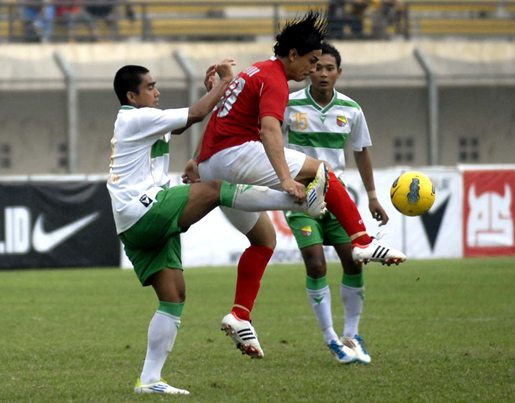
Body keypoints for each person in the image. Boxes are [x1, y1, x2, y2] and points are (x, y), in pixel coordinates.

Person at [182, 10, 406, 361]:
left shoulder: (252, 71)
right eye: (311, 61)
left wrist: (197, 160)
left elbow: (221, 117)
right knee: (322, 172)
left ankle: (239, 313)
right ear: (292, 55)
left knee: (264, 239)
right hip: (235, 156)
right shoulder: (273, 77)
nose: (312, 69)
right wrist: (287, 177)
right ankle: (362, 241)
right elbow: (270, 129)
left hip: (214, 164)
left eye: (321, 63)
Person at [108, 62, 326, 395]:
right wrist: (225, 82)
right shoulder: (136, 118)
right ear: (131, 96)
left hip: (132, 221)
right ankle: (298, 202)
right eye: (151, 87)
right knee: (214, 189)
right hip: (144, 207)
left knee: (173, 296)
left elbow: (187, 122)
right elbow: (196, 114)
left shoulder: (144, 119)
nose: (157, 91)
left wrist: (215, 90)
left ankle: (150, 380)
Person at [281, 42, 387, 364]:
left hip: (336, 197)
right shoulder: (288, 104)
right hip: (299, 197)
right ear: (309, 70)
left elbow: (361, 150)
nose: (323, 74)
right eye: (318, 67)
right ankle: (330, 338)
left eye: (330, 68)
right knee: (315, 263)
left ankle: (351, 335)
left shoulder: (351, 110)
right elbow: (267, 140)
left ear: (339, 73)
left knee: (354, 261)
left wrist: (371, 196)